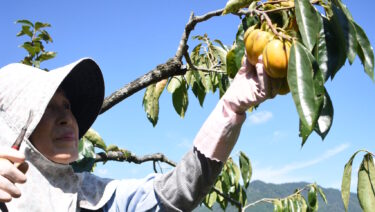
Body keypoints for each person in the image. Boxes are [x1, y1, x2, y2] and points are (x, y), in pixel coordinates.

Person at [0, 55, 277, 211]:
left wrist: (231, 107)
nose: (67, 118)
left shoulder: (92, 197)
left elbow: (173, 194)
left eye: (67, 105)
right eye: (46, 106)